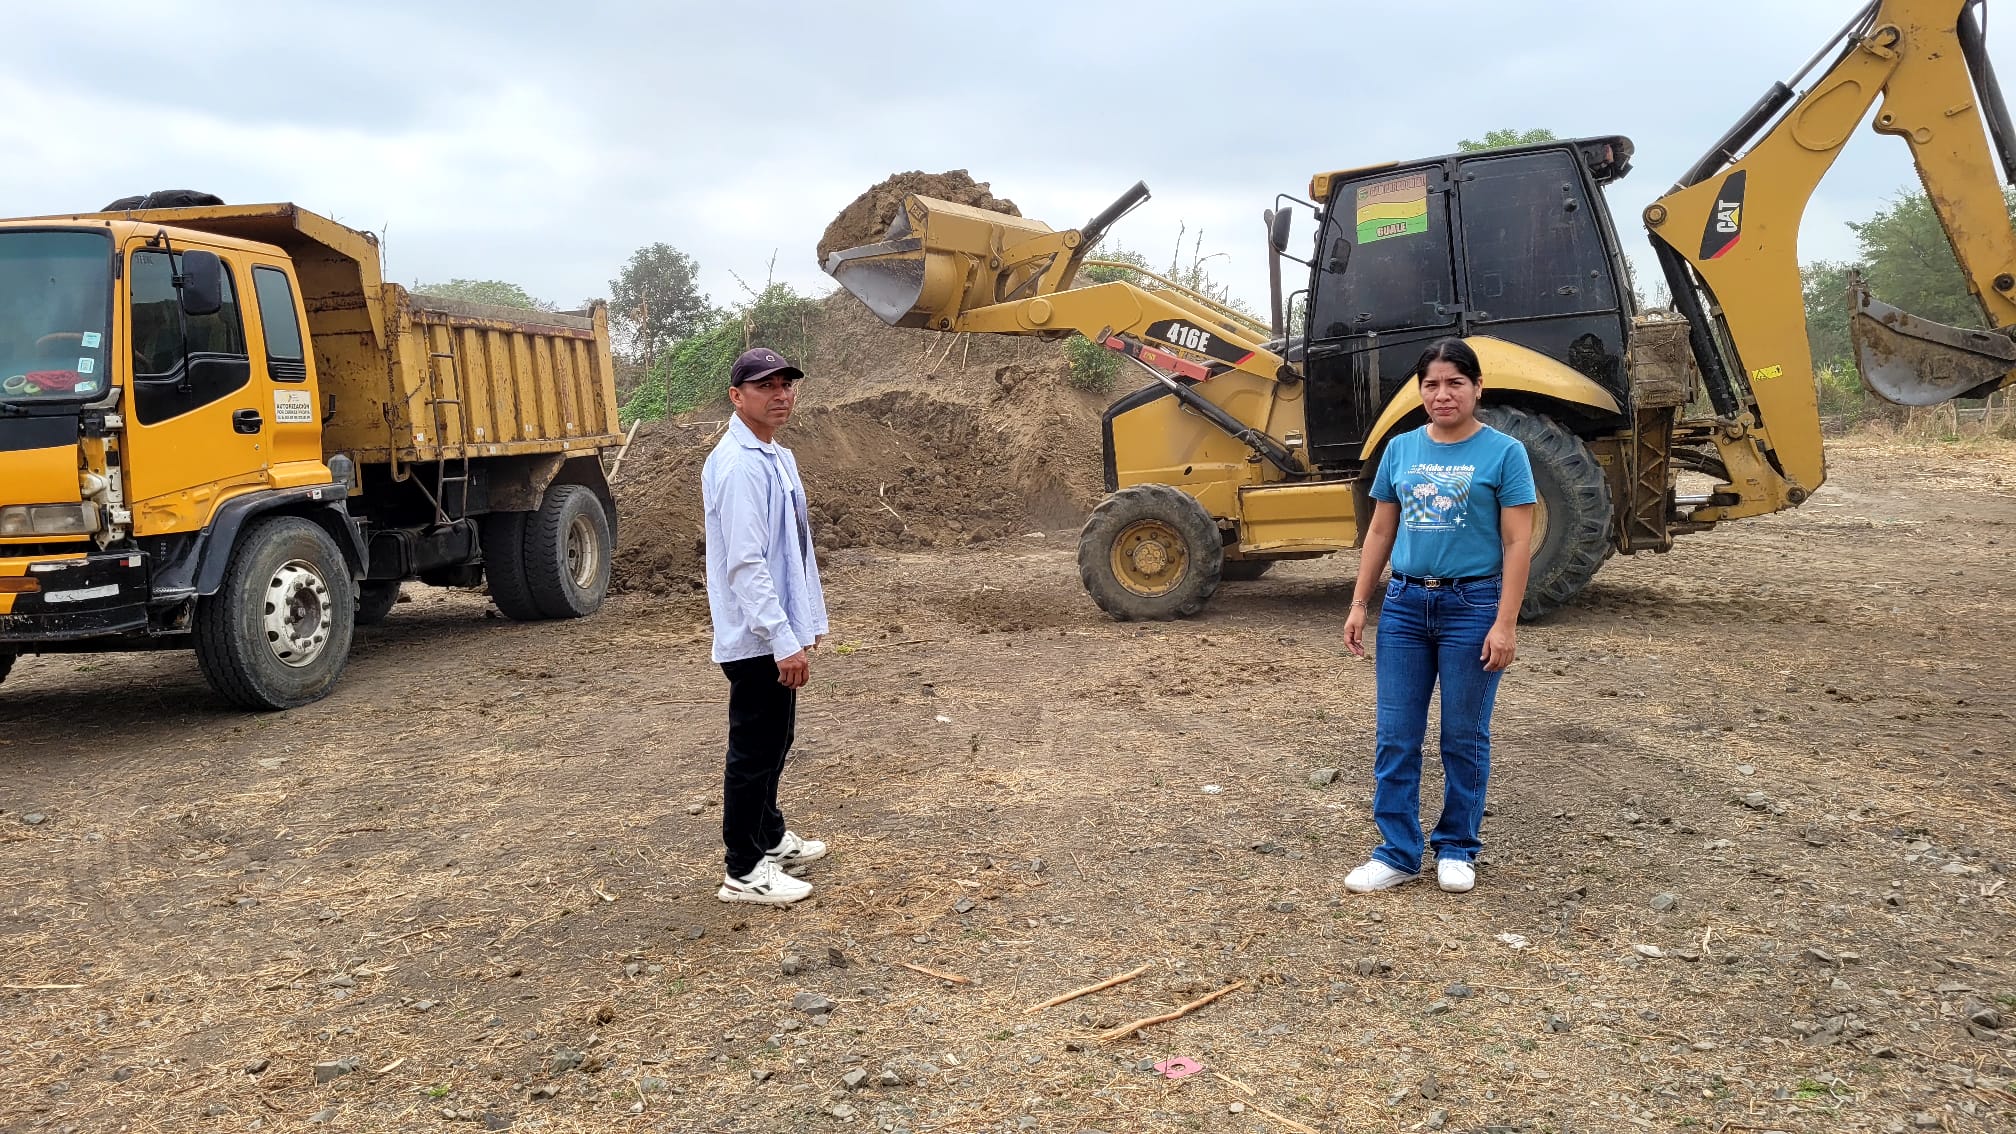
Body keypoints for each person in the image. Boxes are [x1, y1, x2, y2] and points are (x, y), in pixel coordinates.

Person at [1342, 337, 1535, 895]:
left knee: (1462, 735)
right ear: (1419, 391)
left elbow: (1517, 542)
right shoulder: (1400, 450)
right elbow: (1381, 530)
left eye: (1455, 383)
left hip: (1472, 606)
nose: (1442, 394)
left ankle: (1456, 846)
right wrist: (1360, 603)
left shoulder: (1505, 453)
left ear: (1478, 388)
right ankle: (1397, 852)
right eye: (1431, 384)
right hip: (1405, 607)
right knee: (1395, 735)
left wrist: (1505, 622)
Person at [703, 346, 831, 905]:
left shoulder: (775, 455)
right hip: (756, 634)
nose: (781, 395)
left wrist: (804, 622)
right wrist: (782, 637)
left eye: (786, 384)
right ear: (737, 396)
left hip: (777, 627)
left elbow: (793, 549)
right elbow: (746, 564)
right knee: (755, 749)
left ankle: (770, 837)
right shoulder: (738, 465)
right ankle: (743, 868)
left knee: (778, 738)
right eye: (765, 386)